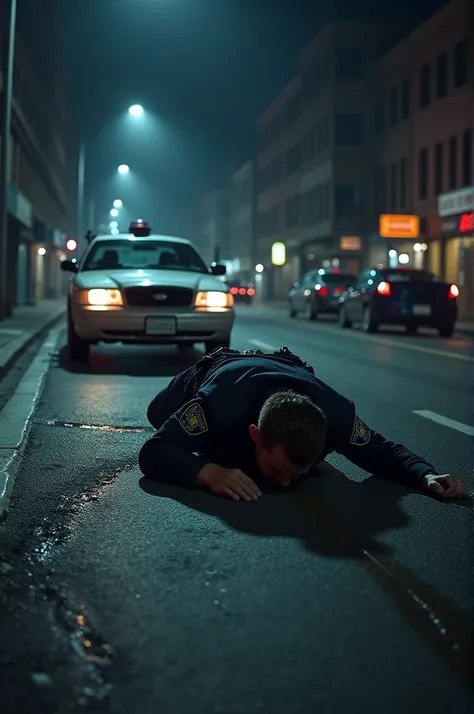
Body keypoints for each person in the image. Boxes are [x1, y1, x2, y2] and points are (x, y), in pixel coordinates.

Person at [139, 347, 469, 502]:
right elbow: (155, 450)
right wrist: (208, 473)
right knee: (158, 415)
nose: (284, 484)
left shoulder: (335, 416)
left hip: (287, 366)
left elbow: (383, 453)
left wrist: (427, 474)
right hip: (222, 368)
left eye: (294, 473)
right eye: (278, 469)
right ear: (255, 435)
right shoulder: (218, 403)